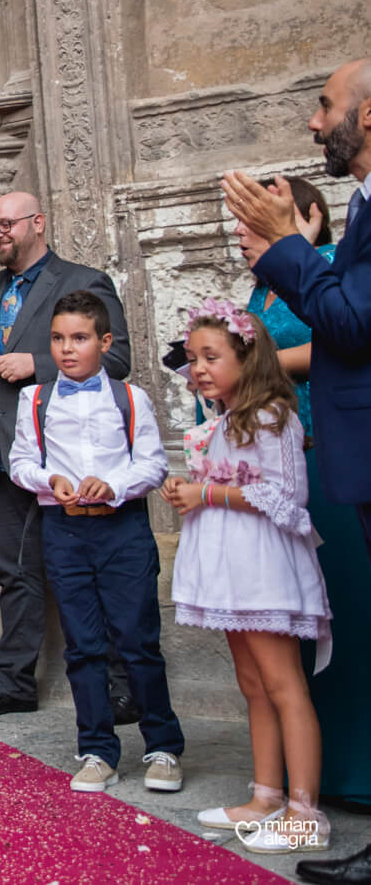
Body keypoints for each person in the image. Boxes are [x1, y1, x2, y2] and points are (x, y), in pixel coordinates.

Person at [221, 60, 371, 884]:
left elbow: (348, 325)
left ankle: (310, 803)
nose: (316, 123)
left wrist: (286, 243)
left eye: (325, 106)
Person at [0, 190, 138, 721]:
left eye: (7, 224)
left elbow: (118, 358)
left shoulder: (82, 281)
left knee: (96, 569)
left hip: (67, 458)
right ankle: (13, 684)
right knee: (13, 573)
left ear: (38, 223)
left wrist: (39, 364)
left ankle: (123, 686)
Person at [165, 302, 332, 855]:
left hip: (262, 568)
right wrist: (190, 492)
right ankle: (265, 795)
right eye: (193, 359)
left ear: (247, 356)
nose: (200, 369)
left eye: (212, 357)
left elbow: (287, 498)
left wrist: (207, 492)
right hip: (230, 568)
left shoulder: (272, 416)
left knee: (284, 684)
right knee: (254, 684)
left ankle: (306, 811)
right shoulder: (223, 423)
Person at [6, 290, 184, 794]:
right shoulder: (33, 399)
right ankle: (97, 750)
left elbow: (152, 464)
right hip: (64, 530)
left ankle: (163, 747)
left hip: (123, 529)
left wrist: (116, 486)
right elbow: (20, 461)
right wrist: (48, 481)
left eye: (79, 338)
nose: (67, 349)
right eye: (58, 339)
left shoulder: (132, 398)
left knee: (137, 641)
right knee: (83, 647)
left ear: (104, 342)